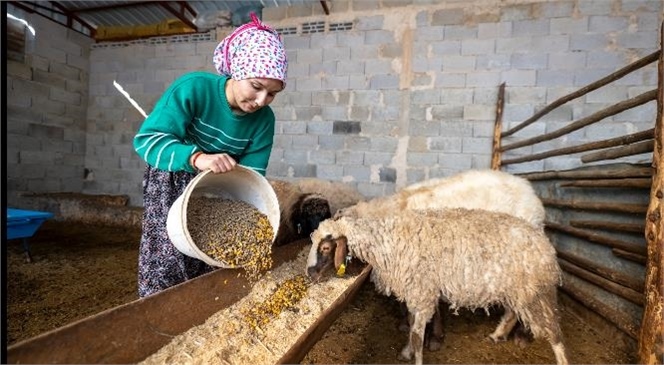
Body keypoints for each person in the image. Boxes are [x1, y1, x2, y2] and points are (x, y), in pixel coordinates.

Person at [132, 13, 288, 298]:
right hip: (172, 177)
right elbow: (147, 141)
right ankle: (156, 311)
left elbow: (252, 179)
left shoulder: (264, 120)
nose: (261, 101)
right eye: (256, 86)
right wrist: (196, 158)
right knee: (167, 257)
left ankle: (201, 312)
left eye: (272, 94)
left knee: (213, 258)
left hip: (219, 190)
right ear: (237, 70)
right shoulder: (194, 89)